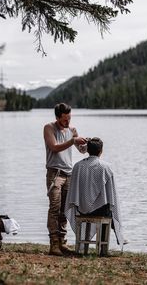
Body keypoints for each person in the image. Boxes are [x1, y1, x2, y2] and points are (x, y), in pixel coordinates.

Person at [65, 137, 124, 253]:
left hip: (81, 209)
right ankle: (108, 243)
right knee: (109, 207)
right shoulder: (106, 167)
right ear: (101, 151)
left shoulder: (77, 166)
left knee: (104, 205)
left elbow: (73, 191)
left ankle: (84, 246)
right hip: (100, 211)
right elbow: (112, 194)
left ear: (87, 150)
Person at [43, 103, 87, 256]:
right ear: (57, 117)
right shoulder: (49, 128)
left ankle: (62, 242)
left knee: (65, 210)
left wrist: (86, 144)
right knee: (54, 208)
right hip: (55, 174)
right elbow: (54, 147)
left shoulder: (72, 130)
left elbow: (81, 151)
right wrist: (72, 141)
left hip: (69, 174)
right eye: (64, 120)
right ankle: (53, 244)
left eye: (69, 119)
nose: (68, 123)